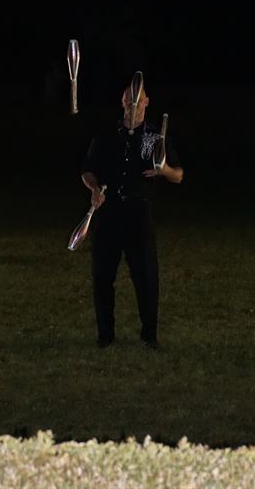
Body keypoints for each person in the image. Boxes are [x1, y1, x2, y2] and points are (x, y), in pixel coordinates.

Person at [81, 82, 183, 349]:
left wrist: (164, 170)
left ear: (147, 102)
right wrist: (94, 188)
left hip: (138, 214)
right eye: (129, 100)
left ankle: (150, 335)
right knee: (103, 276)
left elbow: (178, 175)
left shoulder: (155, 137)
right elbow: (87, 170)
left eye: (138, 100)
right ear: (122, 101)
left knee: (146, 277)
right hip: (108, 213)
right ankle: (105, 335)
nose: (133, 105)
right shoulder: (105, 134)